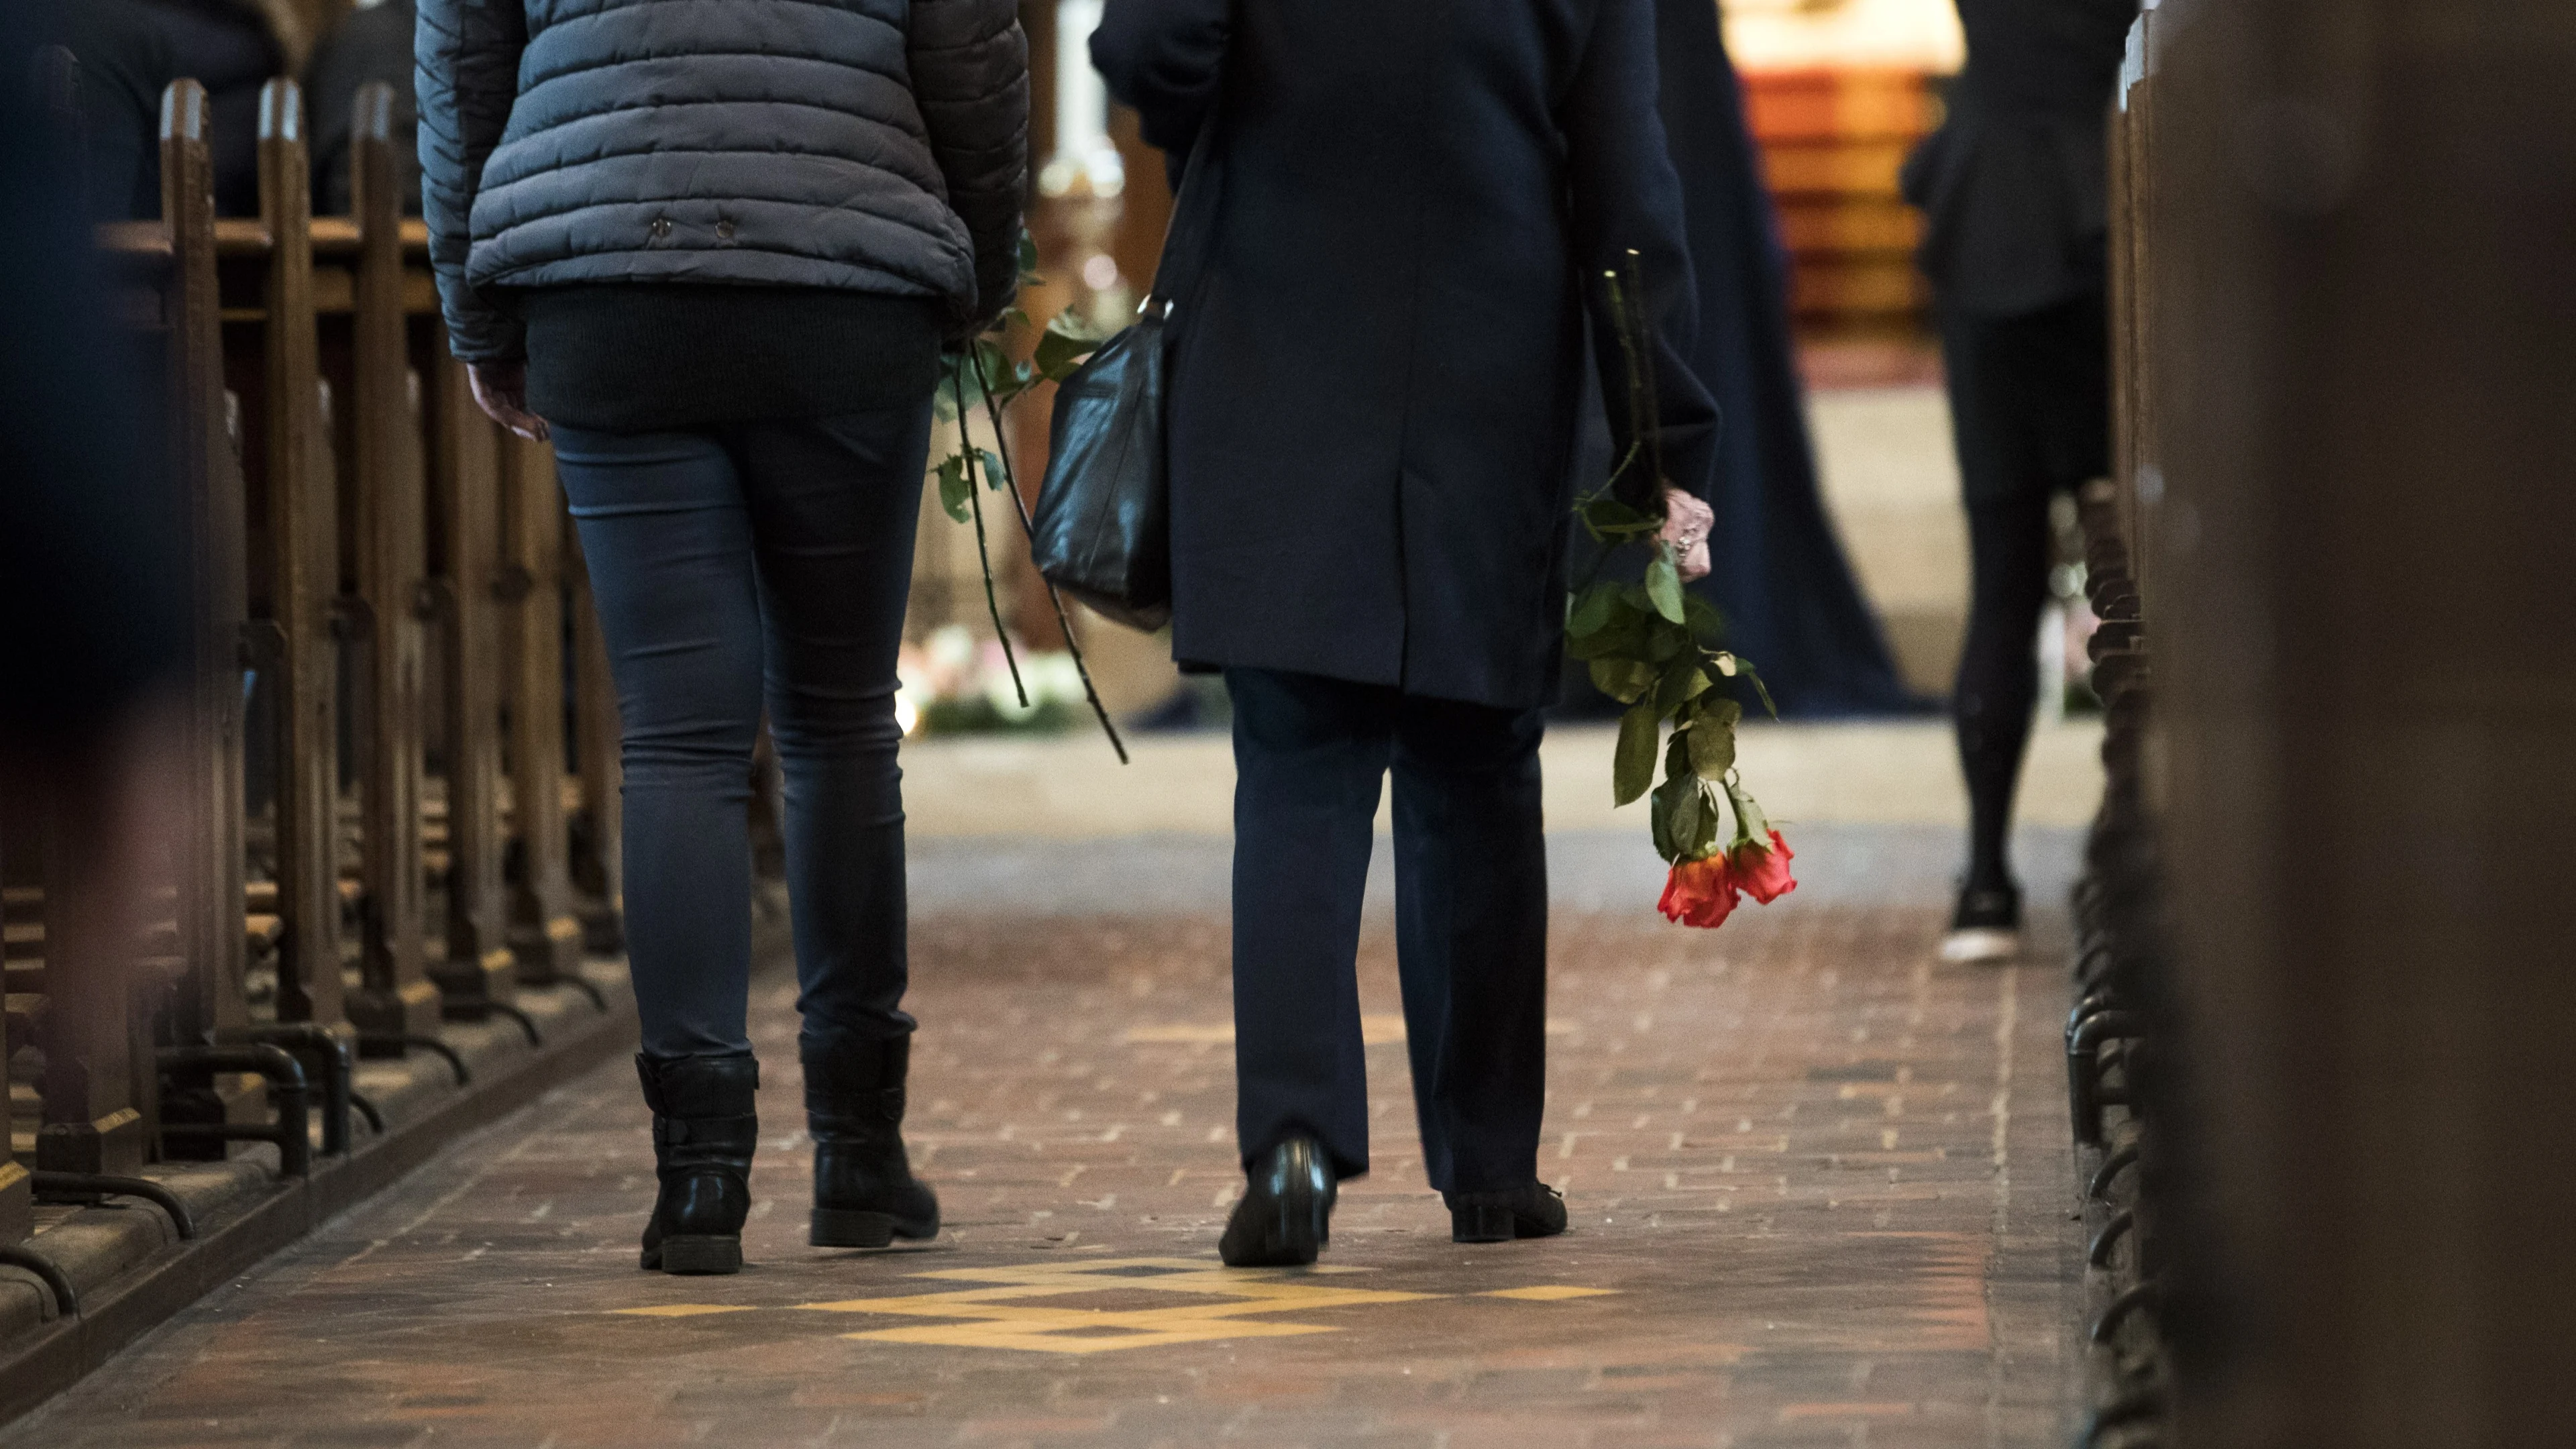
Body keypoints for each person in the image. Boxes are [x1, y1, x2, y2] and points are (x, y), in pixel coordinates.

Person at [1094, 0, 1719, 1267]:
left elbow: (1151, 49)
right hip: (1483, 365)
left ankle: (1292, 1148)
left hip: (1277, 339)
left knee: (1296, 766)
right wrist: (1662, 433)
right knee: (1477, 762)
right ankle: (1490, 1166)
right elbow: (1625, 187)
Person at [418, 0, 1028, 1275]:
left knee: (682, 737)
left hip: (609, 288)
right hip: (845, 278)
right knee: (840, 718)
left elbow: (463, 59)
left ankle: (700, 1179)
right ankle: (858, 1155)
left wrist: (479, 314)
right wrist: (975, 264)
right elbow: (971, 45)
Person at [1902, 0, 2139, 963]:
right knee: (2139, 562)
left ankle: (1988, 882)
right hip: (2102, 218)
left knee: (2002, 571)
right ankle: (2133, 851)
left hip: (1990, 221)